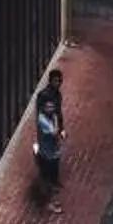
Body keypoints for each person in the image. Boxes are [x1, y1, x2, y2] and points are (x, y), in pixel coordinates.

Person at [29, 68, 66, 206]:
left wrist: (61, 127)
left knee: (55, 156)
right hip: (47, 132)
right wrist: (53, 128)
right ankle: (47, 185)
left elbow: (58, 112)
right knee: (47, 159)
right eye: (56, 80)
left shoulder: (57, 94)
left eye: (59, 80)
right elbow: (42, 116)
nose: (58, 83)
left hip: (53, 129)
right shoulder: (44, 96)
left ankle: (54, 181)